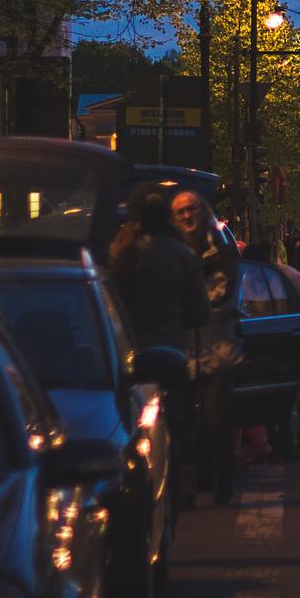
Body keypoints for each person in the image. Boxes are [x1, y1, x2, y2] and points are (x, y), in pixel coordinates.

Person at [109, 185, 207, 508]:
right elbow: (199, 313)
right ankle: (179, 487)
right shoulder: (182, 255)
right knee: (178, 425)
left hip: (131, 358)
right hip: (170, 353)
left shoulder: (121, 252)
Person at [172, 191, 242, 507]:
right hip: (181, 355)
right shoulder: (169, 254)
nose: (187, 216)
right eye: (181, 211)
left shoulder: (223, 254)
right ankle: (189, 486)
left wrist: (181, 309)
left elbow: (222, 298)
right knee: (182, 424)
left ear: (202, 213)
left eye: (192, 210)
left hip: (217, 350)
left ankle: (222, 481)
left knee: (216, 422)